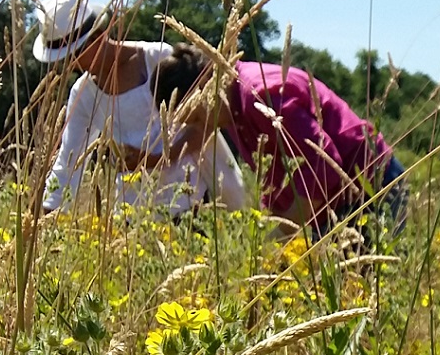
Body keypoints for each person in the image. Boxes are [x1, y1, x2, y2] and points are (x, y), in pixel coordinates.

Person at [148, 47, 408, 235]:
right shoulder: (231, 109)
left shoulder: (260, 95)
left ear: (205, 87)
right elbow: (276, 178)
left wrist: (280, 238)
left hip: (372, 188)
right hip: (329, 205)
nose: (196, 128)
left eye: (193, 117)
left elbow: (323, 166)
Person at [33, 0, 246, 216]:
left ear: (97, 37)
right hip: (133, 211)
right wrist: (41, 220)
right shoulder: (83, 94)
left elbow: (206, 122)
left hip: (189, 201)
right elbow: (68, 163)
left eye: (75, 53)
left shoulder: (158, 58)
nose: (72, 64)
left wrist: (156, 158)